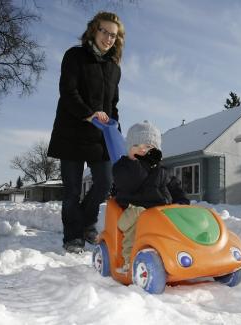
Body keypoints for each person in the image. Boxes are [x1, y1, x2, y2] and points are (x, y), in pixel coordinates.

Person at [47, 12, 125, 253]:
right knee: (71, 188)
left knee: (104, 181)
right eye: (104, 31)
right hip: (72, 131)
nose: (109, 38)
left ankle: (86, 222)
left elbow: (113, 104)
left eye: (114, 35)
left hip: (99, 136)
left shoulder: (114, 68)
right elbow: (68, 91)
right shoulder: (75, 56)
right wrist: (89, 114)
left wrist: (115, 130)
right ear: (94, 30)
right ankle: (73, 235)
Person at [113, 121, 189, 271]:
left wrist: (181, 202)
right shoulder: (122, 167)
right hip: (133, 211)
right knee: (138, 220)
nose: (142, 149)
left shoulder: (162, 171)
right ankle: (130, 260)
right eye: (136, 146)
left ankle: (180, 254)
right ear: (128, 149)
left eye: (148, 147)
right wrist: (141, 164)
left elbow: (174, 187)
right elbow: (132, 182)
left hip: (159, 213)